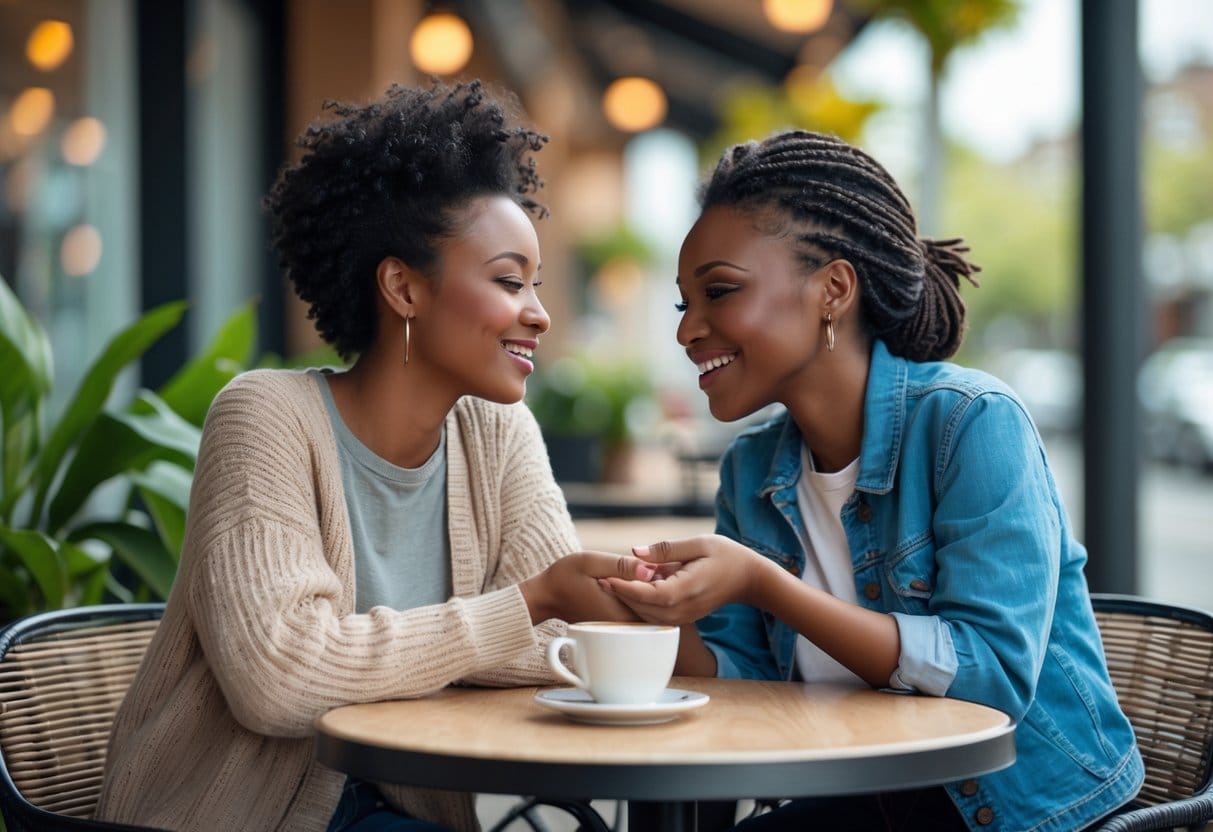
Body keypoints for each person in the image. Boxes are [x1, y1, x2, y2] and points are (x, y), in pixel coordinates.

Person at [95, 80, 648, 832]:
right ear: (402, 287)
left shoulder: (497, 433)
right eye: (509, 281)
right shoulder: (266, 418)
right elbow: (282, 679)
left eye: (537, 285)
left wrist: (380, 648)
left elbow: (561, 649)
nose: (540, 313)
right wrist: (523, 603)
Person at [601, 130, 1144, 831]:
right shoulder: (752, 468)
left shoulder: (971, 425)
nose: (688, 331)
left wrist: (766, 584)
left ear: (832, 290)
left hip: (1020, 809)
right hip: (867, 800)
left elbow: (989, 681)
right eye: (683, 304)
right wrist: (643, 612)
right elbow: (741, 677)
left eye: (719, 292)